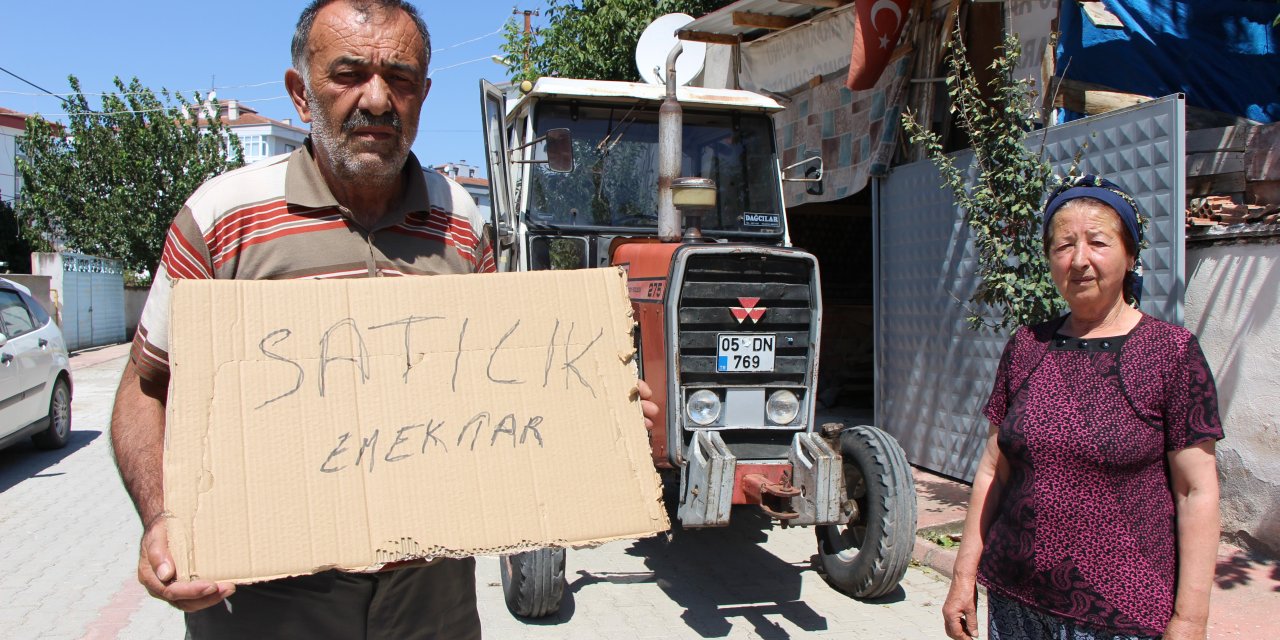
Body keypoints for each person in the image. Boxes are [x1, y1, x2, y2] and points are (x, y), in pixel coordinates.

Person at [110, 1, 658, 638]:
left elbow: (499, 386)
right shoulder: (224, 215)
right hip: (268, 605)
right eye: (348, 74)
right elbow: (145, 387)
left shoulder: (462, 221)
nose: (376, 100)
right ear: (299, 92)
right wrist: (161, 520)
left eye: (399, 79)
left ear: (423, 95)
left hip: (429, 603)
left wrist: (596, 421)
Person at [942, 175, 1223, 640]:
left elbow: (1197, 492)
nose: (1079, 260)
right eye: (1063, 245)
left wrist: (1191, 620)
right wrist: (962, 576)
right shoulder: (1028, 346)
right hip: (1016, 603)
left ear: (1131, 255)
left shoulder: (1171, 353)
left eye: (1098, 242)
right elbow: (995, 467)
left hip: (1121, 614)